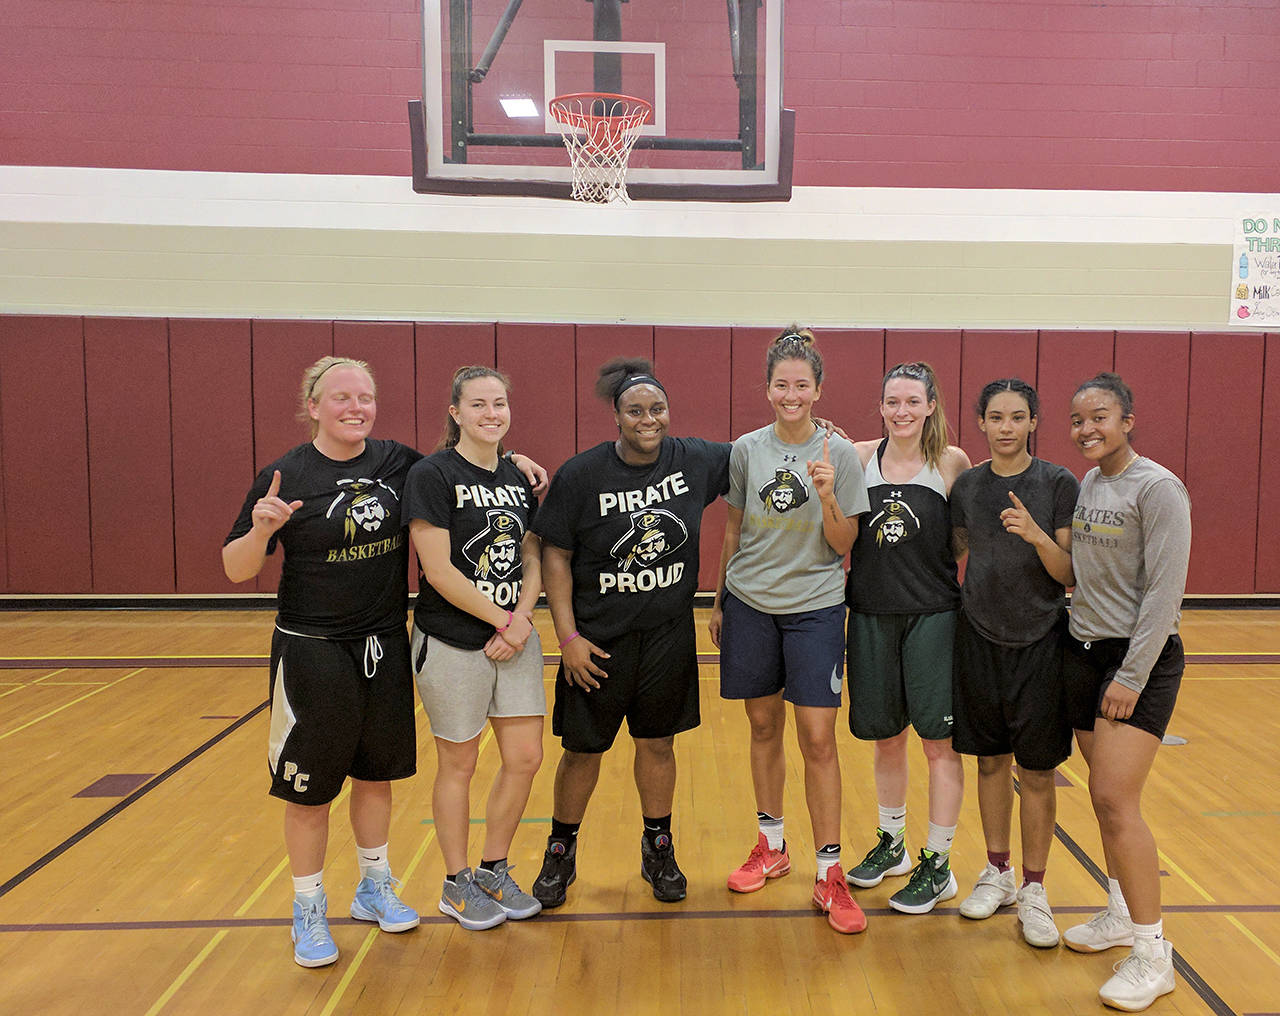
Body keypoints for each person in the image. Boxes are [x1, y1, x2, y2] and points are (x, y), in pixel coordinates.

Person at [222, 356, 546, 968]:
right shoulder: (283, 474)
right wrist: (261, 532)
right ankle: (308, 908)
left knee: (376, 777)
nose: (354, 407)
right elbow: (237, 568)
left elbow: (468, 455)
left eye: (364, 397)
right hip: (312, 649)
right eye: (339, 397)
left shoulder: (397, 462)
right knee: (312, 792)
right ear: (312, 406)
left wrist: (519, 457)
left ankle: (374, 886)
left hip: (383, 642)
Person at [530, 357, 731, 908]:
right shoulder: (582, 474)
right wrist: (567, 637)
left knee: (658, 744)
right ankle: (560, 852)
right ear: (617, 417)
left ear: (669, 411)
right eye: (636, 410)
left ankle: (658, 846)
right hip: (597, 641)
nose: (649, 419)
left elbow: (764, 454)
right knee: (581, 752)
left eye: (657, 409)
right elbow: (555, 555)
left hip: (667, 635)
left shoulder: (695, 459)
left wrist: (825, 437)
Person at [710, 328, 870, 934]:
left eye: (803, 385)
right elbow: (732, 530)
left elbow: (844, 543)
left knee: (818, 737)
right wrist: (721, 598)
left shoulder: (841, 455)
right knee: (761, 724)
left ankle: (830, 872)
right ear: (768, 388)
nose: (791, 394)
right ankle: (771, 845)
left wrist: (829, 495)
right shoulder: (747, 450)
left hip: (816, 606)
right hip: (751, 602)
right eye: (782, 384)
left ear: (818, 389)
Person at [1060, 372, 1191, 1011]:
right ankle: (1119, 910)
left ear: (1128, 419)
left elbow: (1165, 593)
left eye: (1101, 417)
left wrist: (1132, 676)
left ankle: (1153, 952)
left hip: (1137, 660)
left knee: (1115, 799)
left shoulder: (1159, 488)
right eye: (1079, 419)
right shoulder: (1091, 481)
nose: (1088, 428)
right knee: (1099, 791)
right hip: (1085, 651)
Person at [404, 366, 545, 931]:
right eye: (480, 404)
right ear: (456, 413)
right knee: (459, 762)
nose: (492, 413)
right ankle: (456, 881)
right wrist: (501, 621)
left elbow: (532, 551)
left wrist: (522, 619)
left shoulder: (516, 475)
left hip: (514, 639)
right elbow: (437, 571)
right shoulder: (432, 475)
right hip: (453, 641)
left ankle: (493, 868)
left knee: (525, 757)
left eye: (501, 403)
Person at [949, 379, 1078, 948]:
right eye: (995, 416)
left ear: (1033, 421)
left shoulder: (1057, 483)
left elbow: (1068, 573)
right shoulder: (969, 487)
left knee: (1040, 772)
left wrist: (1034, 536)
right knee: (989, 763)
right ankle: (997, 872)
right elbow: (953, 552)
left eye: (1017, 417)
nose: (1005, 426)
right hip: (977, 639)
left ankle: (1034, 889)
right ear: (980, 422)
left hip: (1042, 640)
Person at [844, 361, 972, 914]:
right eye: (892, 402)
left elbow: (959, 541)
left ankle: (938, 863)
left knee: (937, 743)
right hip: (870, 613)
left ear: (930, 405)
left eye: (912, 402)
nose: (902, 411)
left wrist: (921, 580)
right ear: (881, 406)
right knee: (885, 735)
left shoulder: (950, 462)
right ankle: (892, 844)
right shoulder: (857, 458)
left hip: (933, 617)